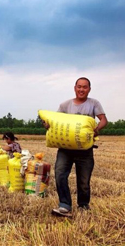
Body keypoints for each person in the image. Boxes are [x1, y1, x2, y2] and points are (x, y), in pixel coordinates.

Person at [44, 77, 108, 215]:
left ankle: (83, 206)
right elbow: (55, 122)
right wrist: (48, 125)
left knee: (84, 181)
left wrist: (96, 129)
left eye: (85, 87)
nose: (81, 89)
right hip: (65, 150)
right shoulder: (65, 105)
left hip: (85, 150)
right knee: (60, 174)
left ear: (89, 89)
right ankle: (65, 205)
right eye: (79, 87)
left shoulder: (94, 103)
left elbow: (103, 120)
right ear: (75, 88)